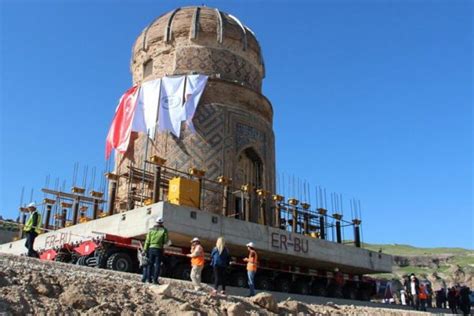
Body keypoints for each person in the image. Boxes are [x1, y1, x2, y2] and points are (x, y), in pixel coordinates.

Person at [143, 217, 168, 284]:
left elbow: (147, 241)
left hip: (151, 249)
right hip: (158, 249)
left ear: (156, 222)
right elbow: (165, 241)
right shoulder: (164, 230)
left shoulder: (151, 230)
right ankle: (155, 280)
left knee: (150, 264)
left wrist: (145, 249)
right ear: (162, 223)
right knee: (157, 265)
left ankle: (148, 280)